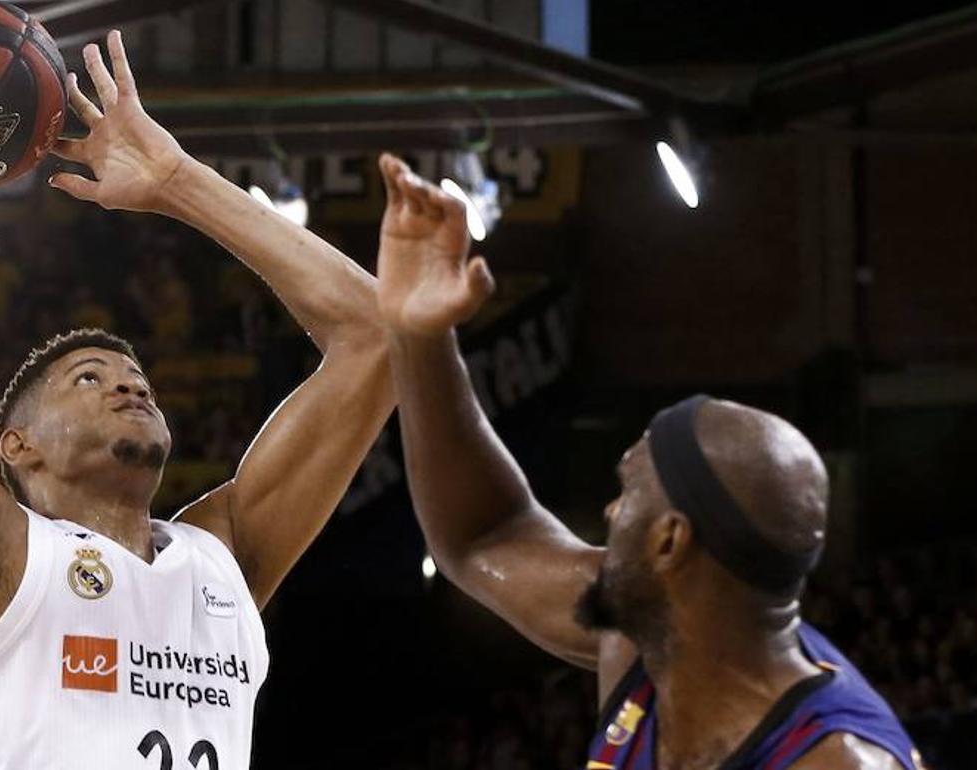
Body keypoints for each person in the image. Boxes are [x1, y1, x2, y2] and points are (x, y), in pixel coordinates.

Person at [0, 28, 392, 768]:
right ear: (17, 445)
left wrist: (177, 182)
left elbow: (377, 339)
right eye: (89, 379)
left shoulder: (219, 561)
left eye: (137, 380)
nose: (129, 384)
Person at [373, 156, 925, 769]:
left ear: (670, 542)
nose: (612, 510)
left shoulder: (834, 761)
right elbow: (484, 537)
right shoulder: (653, 644)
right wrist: (418, 337)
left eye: (628, 490)